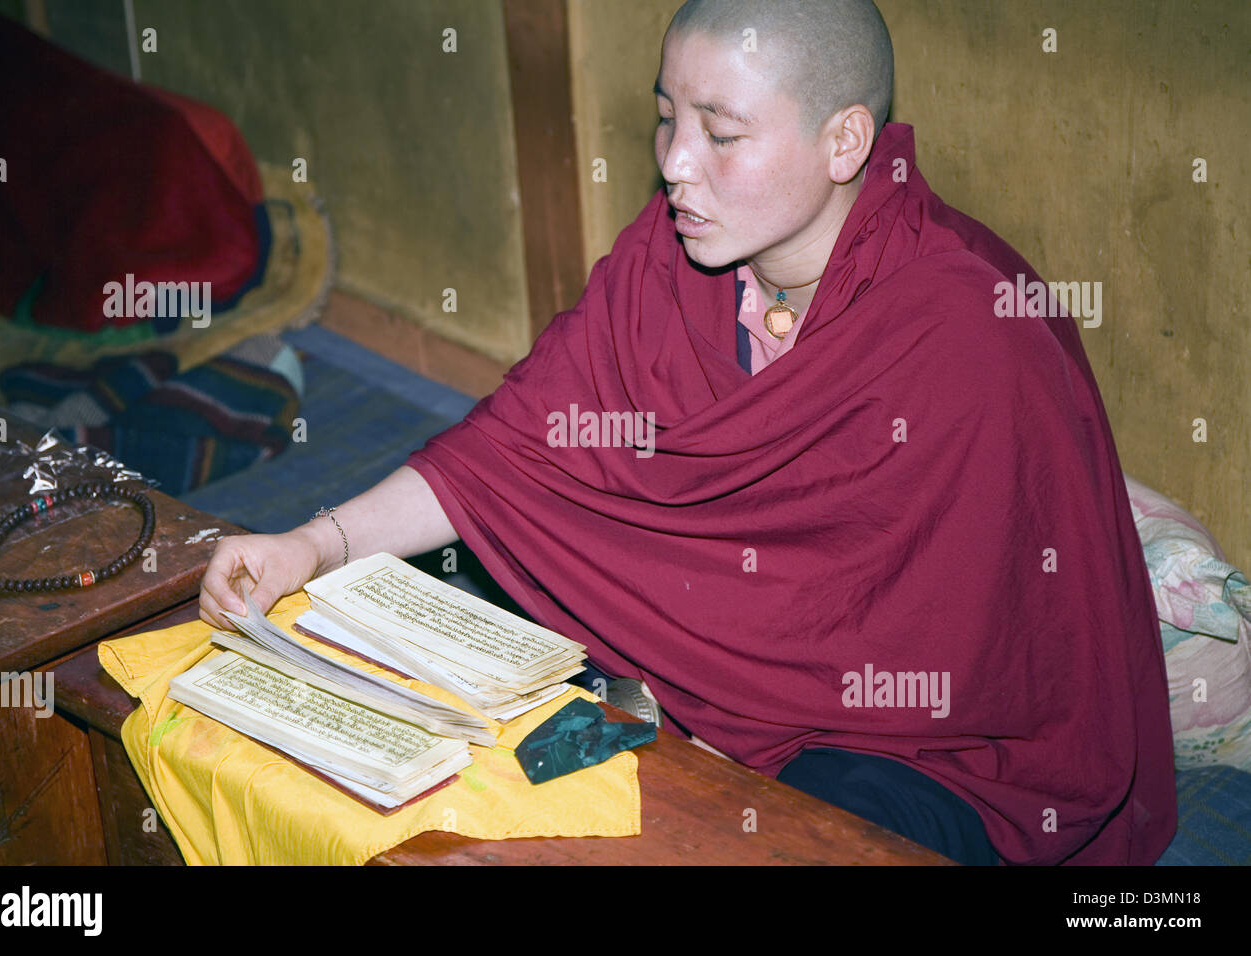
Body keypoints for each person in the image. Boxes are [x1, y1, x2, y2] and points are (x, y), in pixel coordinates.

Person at [200, 0, 1177, 866]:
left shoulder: (968, 330)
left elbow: (993, 656)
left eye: (720, 132)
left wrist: (731, 733)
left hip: (901, 742)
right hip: (668, 656)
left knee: (813, 837)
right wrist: (311, 542)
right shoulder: (669, 255)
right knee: (376, 626)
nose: (673, 164)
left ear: (844, 144)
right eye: (667, 119)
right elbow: (513, 454)